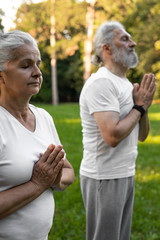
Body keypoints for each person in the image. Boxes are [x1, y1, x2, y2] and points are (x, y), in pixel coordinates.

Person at [79, 20, 156, 240]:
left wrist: (144, 107)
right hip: (104, 176)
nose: (132, 43)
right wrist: (139, 106)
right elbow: (112, 136)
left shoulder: (125, 83)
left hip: (125, 172)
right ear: (107, 48)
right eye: (124, 38)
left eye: (130, 38)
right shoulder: (101, 83)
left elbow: (142, 135)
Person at [0, 30, 74, 240]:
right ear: (1, 74)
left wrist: (54, 177)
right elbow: (41, 182)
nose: (37, 72)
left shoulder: (43, 117)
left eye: (38, 64)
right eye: (26, 65)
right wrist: (37, 184)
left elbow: (68, 172)